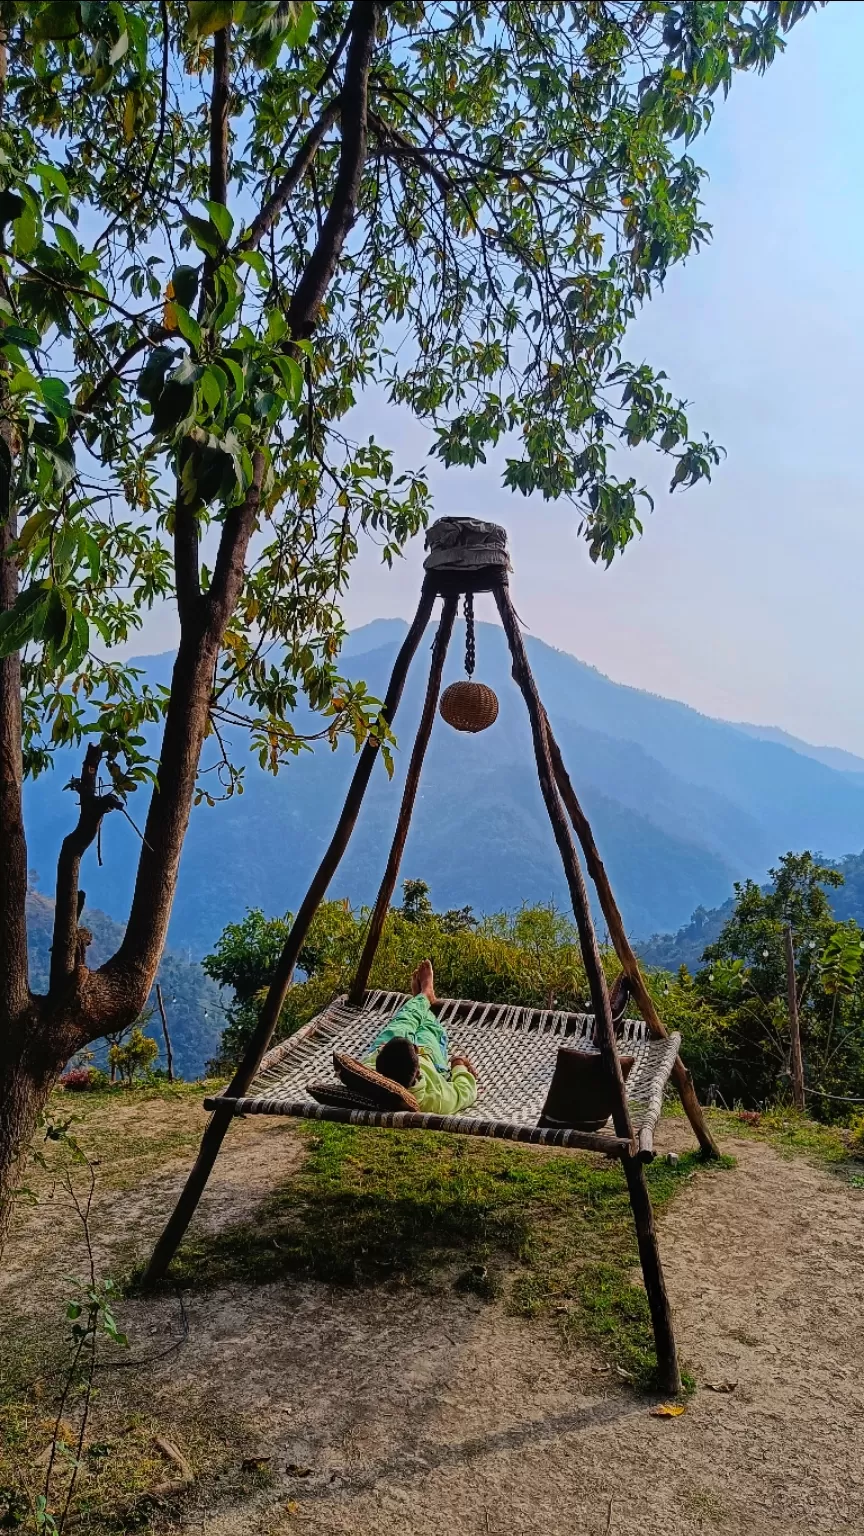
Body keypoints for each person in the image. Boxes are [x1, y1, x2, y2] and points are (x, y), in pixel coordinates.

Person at [363, 959, 479, 1114]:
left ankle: (423, 997)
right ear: (418, 1073)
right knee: (429, 1030)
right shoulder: (434, 1099)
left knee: (404, 1020)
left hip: (397, 1053)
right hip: (431, 1061)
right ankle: (424, 996)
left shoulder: (365, 1077)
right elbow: (463, 1092)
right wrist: (458, 1063)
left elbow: (346, 1067)